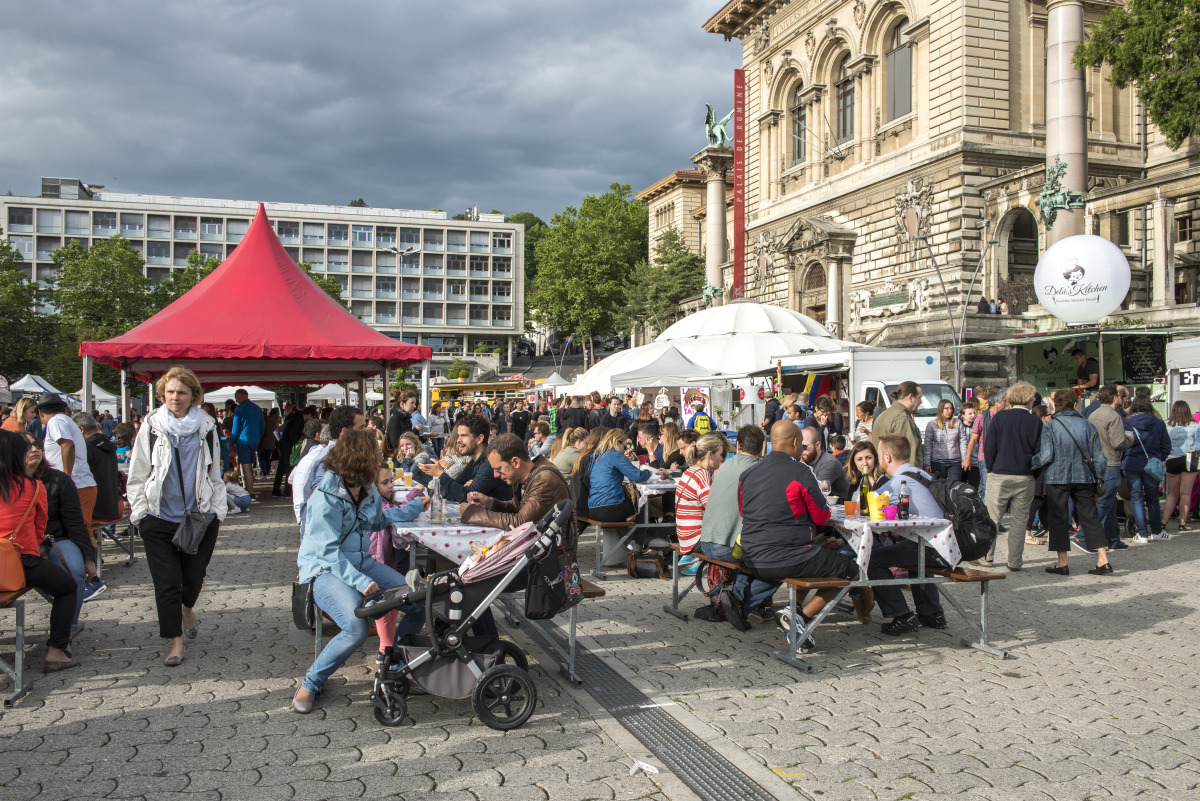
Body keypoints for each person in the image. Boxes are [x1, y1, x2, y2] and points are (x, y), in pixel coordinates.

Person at [292, 429, 427, 714]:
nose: (381, 458)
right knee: (355, 629)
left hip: (359, 562)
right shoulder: (325, 495)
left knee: (417, 602)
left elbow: (376, 520)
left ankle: (394, 666)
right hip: (322, 570)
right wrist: (360, 580)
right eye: (375, 455)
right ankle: (310, 683)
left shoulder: (365, 488)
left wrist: (412, 508)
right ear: (359, 460)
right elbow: (327, 552)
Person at [126, 366, 226, 667]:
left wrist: (217, 511)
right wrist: (139, 512)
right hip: (157, 516)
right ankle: (175, 642)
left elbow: (215, 473)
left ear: (193, 395)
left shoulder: (207, 427)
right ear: (162, 394)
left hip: (199, 516)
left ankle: (187, 607)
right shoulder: (151, 426)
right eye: (170, 392)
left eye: (181, 392)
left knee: (193, 578)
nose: (175, 397)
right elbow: (138, 472)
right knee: (166, 582)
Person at [727, 423, 854, 650]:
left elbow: (744, 512)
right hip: (788, 556)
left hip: (751, 556)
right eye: (802, 445)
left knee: (815, 556)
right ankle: (799, 617)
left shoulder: (747, 474)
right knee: (850, 568)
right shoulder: (801, 472)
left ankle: (779, 610)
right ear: (796, 443)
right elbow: (822, 516)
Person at [0, 431, 79, 671]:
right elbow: (37, 532)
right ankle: (57, 650)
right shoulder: (32, 487)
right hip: (19, 562)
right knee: (68, 588)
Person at [866, 435, 948, 634]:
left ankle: (902, 615)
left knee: (871, 559)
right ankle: (932, 613)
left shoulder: (897, 483)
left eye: (878, 454)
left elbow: (869, 506)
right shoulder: (921, 474)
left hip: (932, 548)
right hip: (946, 545)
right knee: (911, 546)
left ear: (887, 457)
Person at [695, 426, 775, 621]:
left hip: (705, 543)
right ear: (763, 448)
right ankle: (740, 601)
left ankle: (744, 599)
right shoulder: (760, 470)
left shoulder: (722, 467)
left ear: (737, 445)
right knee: (778, 561)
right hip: (729, 549)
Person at [23, 432, 99, 633]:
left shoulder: (58, 480)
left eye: (37, 444)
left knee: (73, 571)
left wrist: (89, 557)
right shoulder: (7, 481)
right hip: (18, 545)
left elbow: (75, 523)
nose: (34, 449)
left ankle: (67, 629)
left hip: (55, 539)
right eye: (27, 446)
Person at [1033, 389, 1111, 576]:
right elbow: (1100, 459)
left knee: (1059, 518)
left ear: (1056, 406)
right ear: (1076, 404)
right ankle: (1103, 559)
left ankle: (1062, 562)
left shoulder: (1050, 426)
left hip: (1056, 477)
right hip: (1084, 477)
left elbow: (1045, 456)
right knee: (1090, 517)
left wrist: (1029, 463)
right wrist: (1099, 477)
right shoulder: (1088, 426)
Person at [365, 464, 427, 659]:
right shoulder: (378, 505)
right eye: (385, 482)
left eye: (391, 481)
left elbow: (396, 509)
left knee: (391, 606)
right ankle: (386, 650)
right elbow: (396, 512)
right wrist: (415, 497)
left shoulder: (381, 502)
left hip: (384, 561)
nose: (391, 486)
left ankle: (389, 647)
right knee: (385, 606)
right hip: (378, 562)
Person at [982, 381, 1041, 570]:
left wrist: (991, 468)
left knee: (992, 518)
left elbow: (989, 446)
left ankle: (987, 557)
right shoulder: (1035, 421)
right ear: (1030, 400)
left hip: (1000, 472)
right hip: (1025, 474)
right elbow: (1041, 452)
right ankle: (1014, 561)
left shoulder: (1000, 418)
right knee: (1019, 521)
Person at [462, 433, 572, 533]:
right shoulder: (524, 475)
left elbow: (520, 523)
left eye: (499, 469)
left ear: (515, 462)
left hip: (551, 551)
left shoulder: (543, 480)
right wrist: (490, 503)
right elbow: (516, 507)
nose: (496, 475)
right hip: (538, 546)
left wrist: (473, 514)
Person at [36, 396, 98, 532]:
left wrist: (65, 478)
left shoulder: (55, 421)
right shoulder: (64, 420)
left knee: (80, 533)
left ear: (40, 413)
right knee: (78, 532)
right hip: (78, 484)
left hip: (76, 485)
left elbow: (67, 445)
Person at [419, 415, 513, 503]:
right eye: (458, 436)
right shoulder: (474, 461)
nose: (458, 440)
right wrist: (461, 489)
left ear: (479, 439)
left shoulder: (490, 463)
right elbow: (451, 493)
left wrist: (440, 474)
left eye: (463, 436)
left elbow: (466, 496)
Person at [1088, 386, 1133, 552]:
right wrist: (1131, 439)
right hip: (1111, 463)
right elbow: (1118, 443)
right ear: (1116, 398)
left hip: (1098, 462)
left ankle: (1113, 539)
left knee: (1110, 503)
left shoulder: (1093, 414)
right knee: (1106, 502)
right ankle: (1084, 536)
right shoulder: (1114, 416)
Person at [1122, 397, 1171, 543]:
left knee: (1136, 499)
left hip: (1131, 463)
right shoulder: (1158, 422)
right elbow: (1166, 445)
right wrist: (1158, 458)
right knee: (1153, 499)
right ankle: (1157, 531)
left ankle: (1142, 534)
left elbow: (1122, 443)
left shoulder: (1126, 422)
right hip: (1152, 465)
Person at [674, 433, 731, 555]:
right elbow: (714, 510)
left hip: (685, 537)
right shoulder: (702, 475)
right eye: (720, 454)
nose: (721, 459)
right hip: (696, 539)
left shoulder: (689, 472)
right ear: (710, 455)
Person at [586, 429, 653, 522]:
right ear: (617, 442)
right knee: (641, 503)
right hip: (610, 508)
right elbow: (637, 476)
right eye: (624, 446)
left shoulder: (597, 456)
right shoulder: (616, 455)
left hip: (593, 509)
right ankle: (639, 535)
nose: (624, 450)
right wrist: (648, 472)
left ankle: (625, 533)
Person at [1162, 401, 1198, 533]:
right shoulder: (1194, 426)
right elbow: (1198, 445)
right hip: (1189, 459)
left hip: (1172, 460)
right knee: (1186, 493)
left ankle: (1163, 522)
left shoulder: (1167, 425)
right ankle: (1182, 523)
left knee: (1172, 494)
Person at [965, 388, 1005, 501]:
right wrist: (967, 457)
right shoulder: (982, 417)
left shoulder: (1004, 416)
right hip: (985, 458)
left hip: (1001, 458)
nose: (1006, 403)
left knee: (999, 490)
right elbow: (973, 439)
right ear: (997, 402)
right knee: (987, 489)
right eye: (1004, 401)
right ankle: (985, 517)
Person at [872, 382, 924, 467]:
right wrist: (912, 478)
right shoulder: (902, 419)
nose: (921, 401)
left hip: (885, 475)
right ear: (910, 397)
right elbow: (909, 456)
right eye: (919, 397)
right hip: (900, 477)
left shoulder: (883, 415)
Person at [230, 389, 265, 498]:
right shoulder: (257, 408)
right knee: (250, 464)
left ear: (242, 396)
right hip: (255, 440)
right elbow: (263, 425)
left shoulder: (239, 409)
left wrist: (232, 442)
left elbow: (235, 428)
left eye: (237, 397)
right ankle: (250, 489)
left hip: (243, 440)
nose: (236, 400)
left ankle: (250, 493)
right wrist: (258, 436)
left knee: (246, 466)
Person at [800, 426, 851, 500]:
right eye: (798, 447)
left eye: (804, 447)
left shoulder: (829, 462)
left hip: (840, 507)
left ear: (817, 445)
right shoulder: (805, 461)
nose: (801, 451)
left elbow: (814, 490)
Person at [923, 400, 965, 481]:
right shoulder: (932, 424)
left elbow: (962, 442)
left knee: (955, 485)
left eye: (951, 408)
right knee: (940, 486)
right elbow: (928, 444)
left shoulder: (958, 422)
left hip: (955, 460)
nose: (949, 411)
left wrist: (964, 459)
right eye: (947, 408)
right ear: (941, 409)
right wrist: (927, 463)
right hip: (938, 461)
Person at [273, 405, 309, 497]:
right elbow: (292, 435)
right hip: (287, 446)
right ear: (308, 415)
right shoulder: (298, 420)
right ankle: (288, 491)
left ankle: (276, 490)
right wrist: (297, 442)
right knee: (289, 468)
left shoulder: (294, 419)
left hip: (283, 445)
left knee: (281, 469)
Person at [258, 408, 280, 479]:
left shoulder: (265, 420)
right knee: (267, 459)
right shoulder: (274, 422)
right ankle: (266, 473)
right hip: (271, 443)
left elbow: (262, 432)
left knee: (262, 459)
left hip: (264, 442)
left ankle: (264, 474)